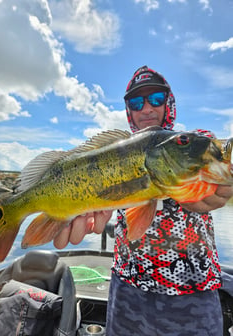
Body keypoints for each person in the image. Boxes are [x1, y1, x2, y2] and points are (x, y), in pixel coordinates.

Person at [54, 66, 233, 336]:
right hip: (127, 289)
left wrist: (210, 186)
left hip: (192, 292)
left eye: (156, 99)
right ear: (129, 110)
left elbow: (220, 152)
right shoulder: (116, 154)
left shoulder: (196, 144)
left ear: (168, 103)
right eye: (137, 102)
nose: (147, 108)